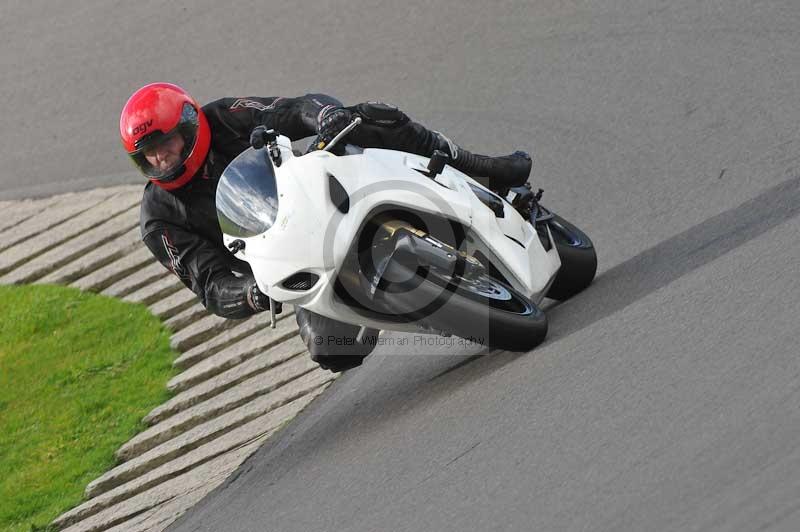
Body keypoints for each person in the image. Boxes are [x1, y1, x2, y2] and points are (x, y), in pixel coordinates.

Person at [120, 82, 531, 372]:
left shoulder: (226, 116)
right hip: (291, 261)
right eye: (149, 155)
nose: (161, 160)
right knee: (332, 350)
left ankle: (481, 167)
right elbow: (209, 286)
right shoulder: (160, 219)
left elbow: (294, 108)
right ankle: (427, 312)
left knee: (371, 118)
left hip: (317, 196)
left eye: (165, 144)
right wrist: (251, 293)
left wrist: (326, 116)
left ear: (190, 126)